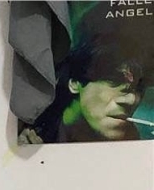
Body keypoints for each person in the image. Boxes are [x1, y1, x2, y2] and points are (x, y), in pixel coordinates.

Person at [19, 19, 150, 144]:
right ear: (75, 82)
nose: (131, 99)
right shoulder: (31, 125)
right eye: (114, 81)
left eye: (139, 87)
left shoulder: (139, 141)